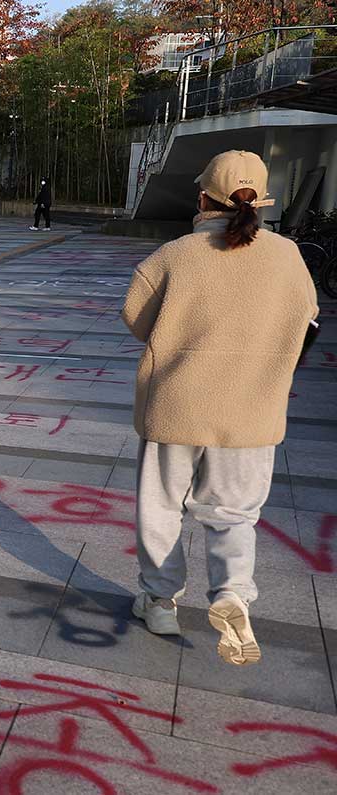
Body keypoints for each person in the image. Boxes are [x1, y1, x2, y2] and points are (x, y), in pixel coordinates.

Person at [122, 150, 318, 666]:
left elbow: (135, 317)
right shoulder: (287, 256)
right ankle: (232, 594)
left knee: (161, 506)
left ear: (203, 197)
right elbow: (308, 320)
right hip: (251, 409)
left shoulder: (175, 254)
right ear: (262, 200)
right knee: (234, 515)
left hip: (175, 405)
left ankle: (160, 602)